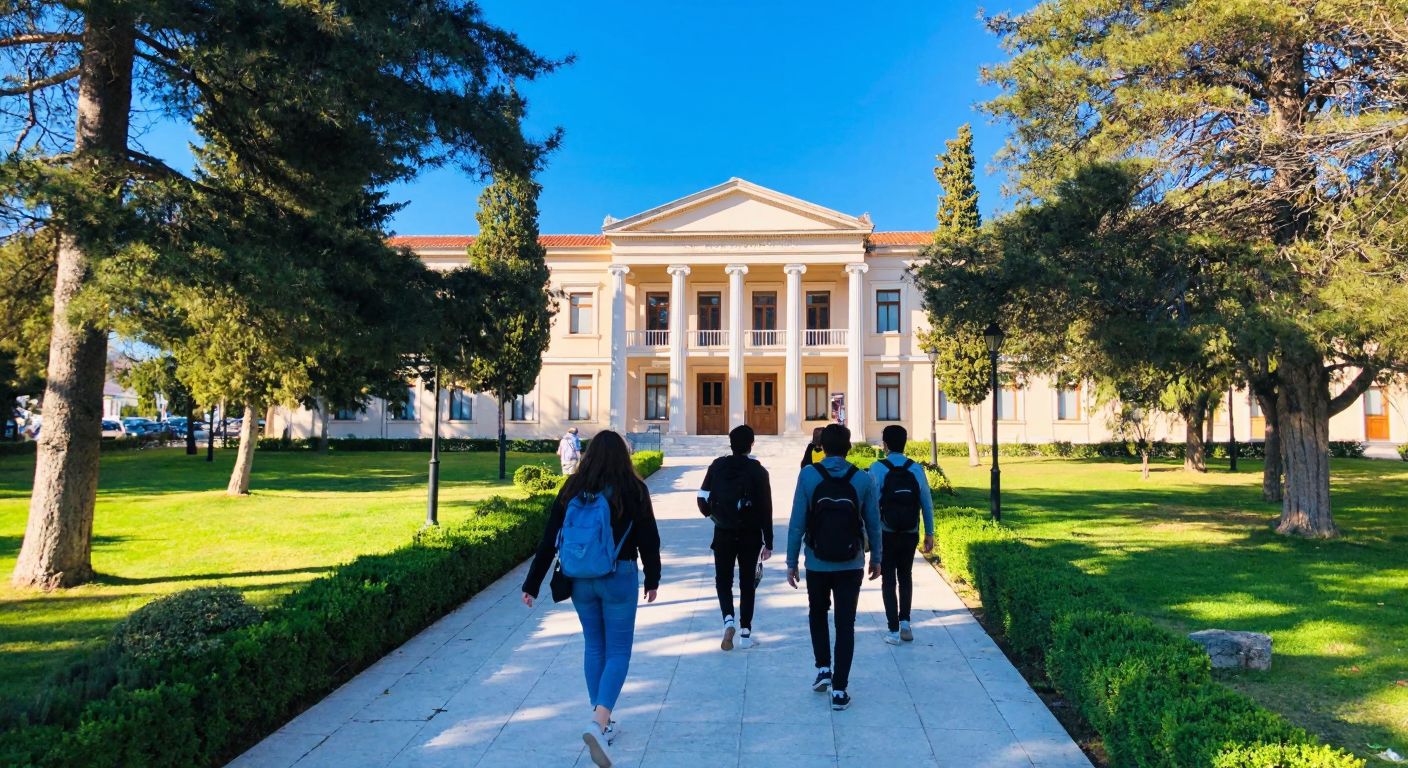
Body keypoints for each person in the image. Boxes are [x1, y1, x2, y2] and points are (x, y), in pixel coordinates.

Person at [522, 430, 661, 768]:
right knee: (618, 651)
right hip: (619, 576)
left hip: (579, 579)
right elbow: (649, 540)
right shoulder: (634, 489)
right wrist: (653, 578)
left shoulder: (570, 489)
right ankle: (599, 722)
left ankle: (602, 719)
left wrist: (532, 583)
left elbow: (549, 539)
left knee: (594, 646)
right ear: (623, 456)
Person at [786, 423, 881, 711]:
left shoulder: (809, 475)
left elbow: (797, 523)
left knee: (817, 613)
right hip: (851, 562)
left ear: (822, 447)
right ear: (849, 447)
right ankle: (840, 689)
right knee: (845, 623)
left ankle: (823, 668)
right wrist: (877, 556)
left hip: (817, 560)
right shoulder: (862, 479)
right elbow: (874, 523)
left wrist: (792, 561)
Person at [697, 425, 773, 651]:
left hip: (723, 533)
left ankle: (728, 620)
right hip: (750, 534)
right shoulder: (758, 471)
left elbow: (701, 498)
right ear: (752, 444)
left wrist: (713, 517)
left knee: (723, 580)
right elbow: (765, 509)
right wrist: (768, 542)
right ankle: (746, 634)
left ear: (730, 444)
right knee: (747, 582)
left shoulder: (717, 466)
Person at [867, 425, 935, 645]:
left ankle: (893, 630)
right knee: (905, 575)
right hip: (910, 530)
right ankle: (905, 622)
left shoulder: (876, 469)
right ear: (905, 443)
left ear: (885, 444)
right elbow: (926, 503)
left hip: (885, 532)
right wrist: (930, 532)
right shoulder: (915, 469)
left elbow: (870, 506)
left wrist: (869, 537)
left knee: (888, 578)